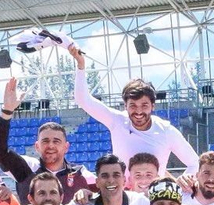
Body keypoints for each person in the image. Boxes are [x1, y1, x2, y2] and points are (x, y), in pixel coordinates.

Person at [68, 44, 199, 172]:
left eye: (144, 105)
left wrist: (180, 188)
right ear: (125, 106)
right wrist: (81, 65)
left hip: (153, 194)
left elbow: (194, 163)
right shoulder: (117, 121)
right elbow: (83, 100)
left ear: (153, 106)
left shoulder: (166, 131)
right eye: (133, 105)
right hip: (123, 193)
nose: (139, 111)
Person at [0, 76, 93, 202]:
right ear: (37, 146)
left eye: (56, 141)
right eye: (45, 141)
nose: (50, 145)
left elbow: (107, 193)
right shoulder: (28, 168)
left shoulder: (80, 173)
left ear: (66, 147)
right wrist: (6, 111)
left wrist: (88, 193)